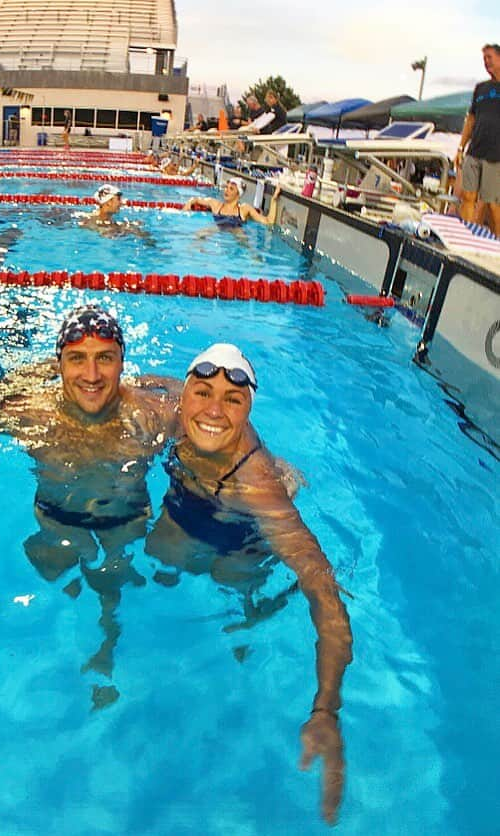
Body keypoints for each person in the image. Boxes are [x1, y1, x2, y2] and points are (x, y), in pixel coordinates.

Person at [145, 343, 353, 825]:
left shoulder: (259, 485)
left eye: (232, 401)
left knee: (232, 581)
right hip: (188, 502)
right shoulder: (179, 407)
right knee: (161, 555)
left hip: (245, 528)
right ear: (187, 395)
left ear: (247, 409)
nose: (214, 410)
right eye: (203, 392)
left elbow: (323, 587)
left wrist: (327, 709)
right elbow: (138, 380)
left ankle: (251, 603)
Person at [0, 305, 179, 707]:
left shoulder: (152, 414)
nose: (92, 376)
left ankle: (108, 645)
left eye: (104, 359)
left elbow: (216, 418)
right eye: (77, 359)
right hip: (56, 524)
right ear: (59, 364)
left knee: (114, 584)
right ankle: (77, 653)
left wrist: (269, 464)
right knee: (55, 577)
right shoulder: (28, 412)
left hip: (126, 520)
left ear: (122, 363)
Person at [457, 43, 500, 234]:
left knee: (493, 204)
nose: (486, 62)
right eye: (484, 59)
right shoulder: (480, 89)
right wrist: (460, 147)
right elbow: (471, 119)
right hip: (474, 150)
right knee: (468, 196)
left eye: (489, 58)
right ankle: (467, 235)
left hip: (496, 155)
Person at [183, 177, 281, 229]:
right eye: (226, 187)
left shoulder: (244, 209)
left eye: (231, 189)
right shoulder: (215, 204)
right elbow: (195, 199)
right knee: (202, 233)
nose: (226, 191)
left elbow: (268, 221)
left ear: (238, 194)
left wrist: (274, 200)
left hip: (237, 231)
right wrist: (188, 204)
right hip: (218, 229)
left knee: (245, 243)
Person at [79, 184, 153, 240]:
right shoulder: (88, 220)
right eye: (118, 199)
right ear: (108, 202)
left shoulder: (111, 222)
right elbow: (106, 234)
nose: (122, 202)